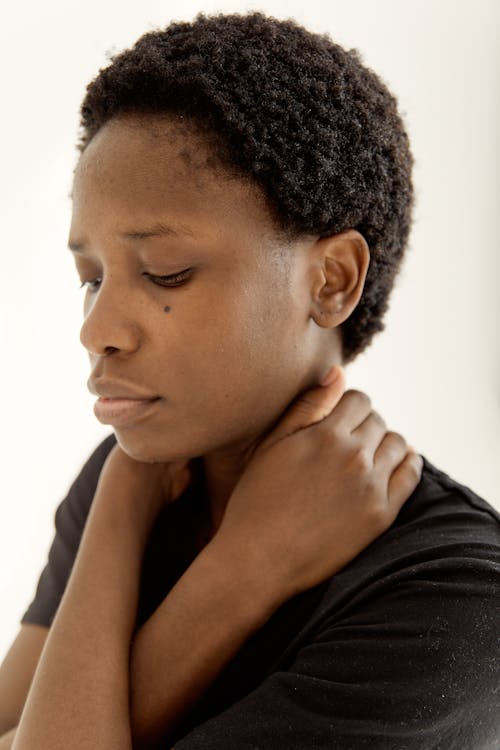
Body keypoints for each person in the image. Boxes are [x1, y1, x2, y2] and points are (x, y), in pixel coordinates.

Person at [0, 11, 498, 750]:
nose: (96, 329)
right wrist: (220, 564)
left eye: (166, 271)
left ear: (331, 280)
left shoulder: (455, 600)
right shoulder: (134, 482)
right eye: (92, 278)